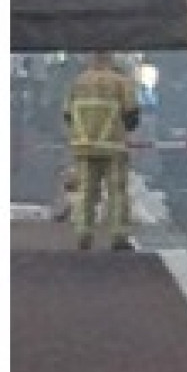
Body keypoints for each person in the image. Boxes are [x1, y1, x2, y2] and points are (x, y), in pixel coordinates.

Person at [62, 52, 140, 250]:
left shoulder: (77, 82)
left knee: (86, 191)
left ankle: (83, 233)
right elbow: (131, 114)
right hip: (112, 145)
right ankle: (118, 236)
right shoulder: (120, 82)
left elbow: (67, 113)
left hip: (84, 146)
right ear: (111, 59)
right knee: (117, 192)